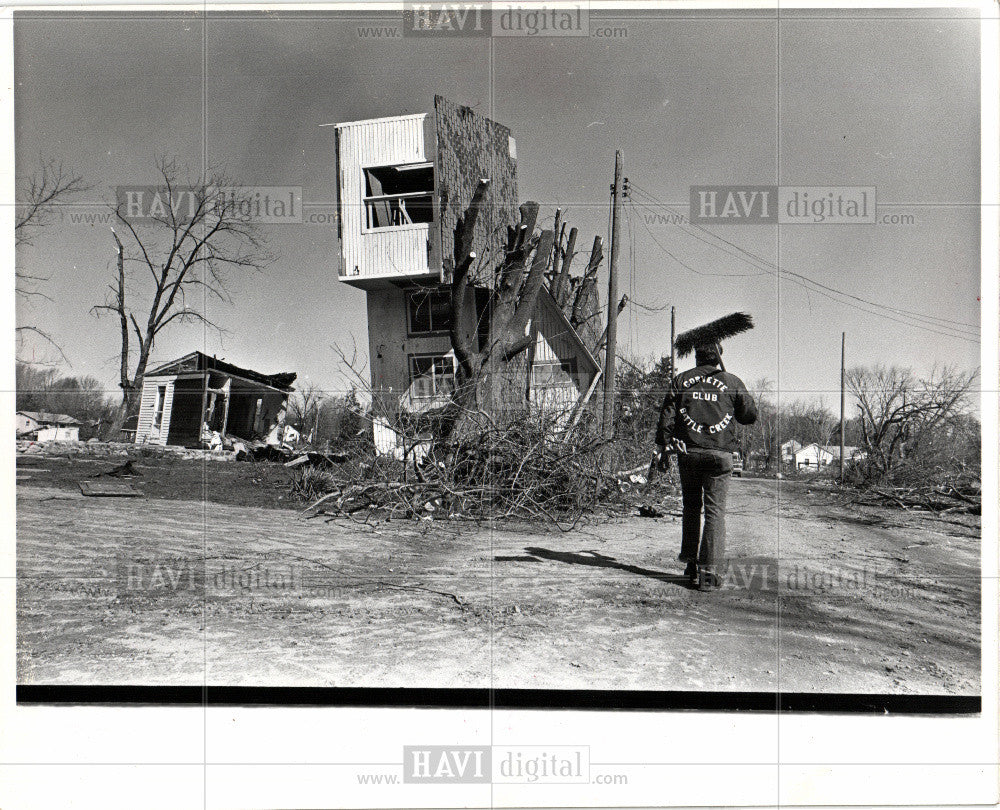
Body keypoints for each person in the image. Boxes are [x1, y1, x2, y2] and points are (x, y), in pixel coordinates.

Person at [655, 342, 757, 590]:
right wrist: (738, 395)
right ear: (718, 356)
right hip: (719, 455)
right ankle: (708, 574)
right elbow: (749, 416)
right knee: (714, 512)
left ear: (697, 358)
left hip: (688, 453)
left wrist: (663, 449)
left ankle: (691, 564)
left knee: (691, 508)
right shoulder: (732, 381)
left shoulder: (681, 380)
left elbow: (667, 418)